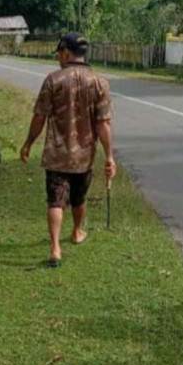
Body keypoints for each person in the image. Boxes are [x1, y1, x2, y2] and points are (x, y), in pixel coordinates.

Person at [20, 33, 116, 268]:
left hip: (57, 154)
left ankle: (55, 248)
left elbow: (40, 117)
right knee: (78, 198)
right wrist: (110, 157)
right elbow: (103, 123)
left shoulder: (53, 80)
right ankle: (76, 231)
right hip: (84, 156)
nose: (58, 58)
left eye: (59, 53)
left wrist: (28, 143)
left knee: (55, 201)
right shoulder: (99, 82)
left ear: (65, 51)